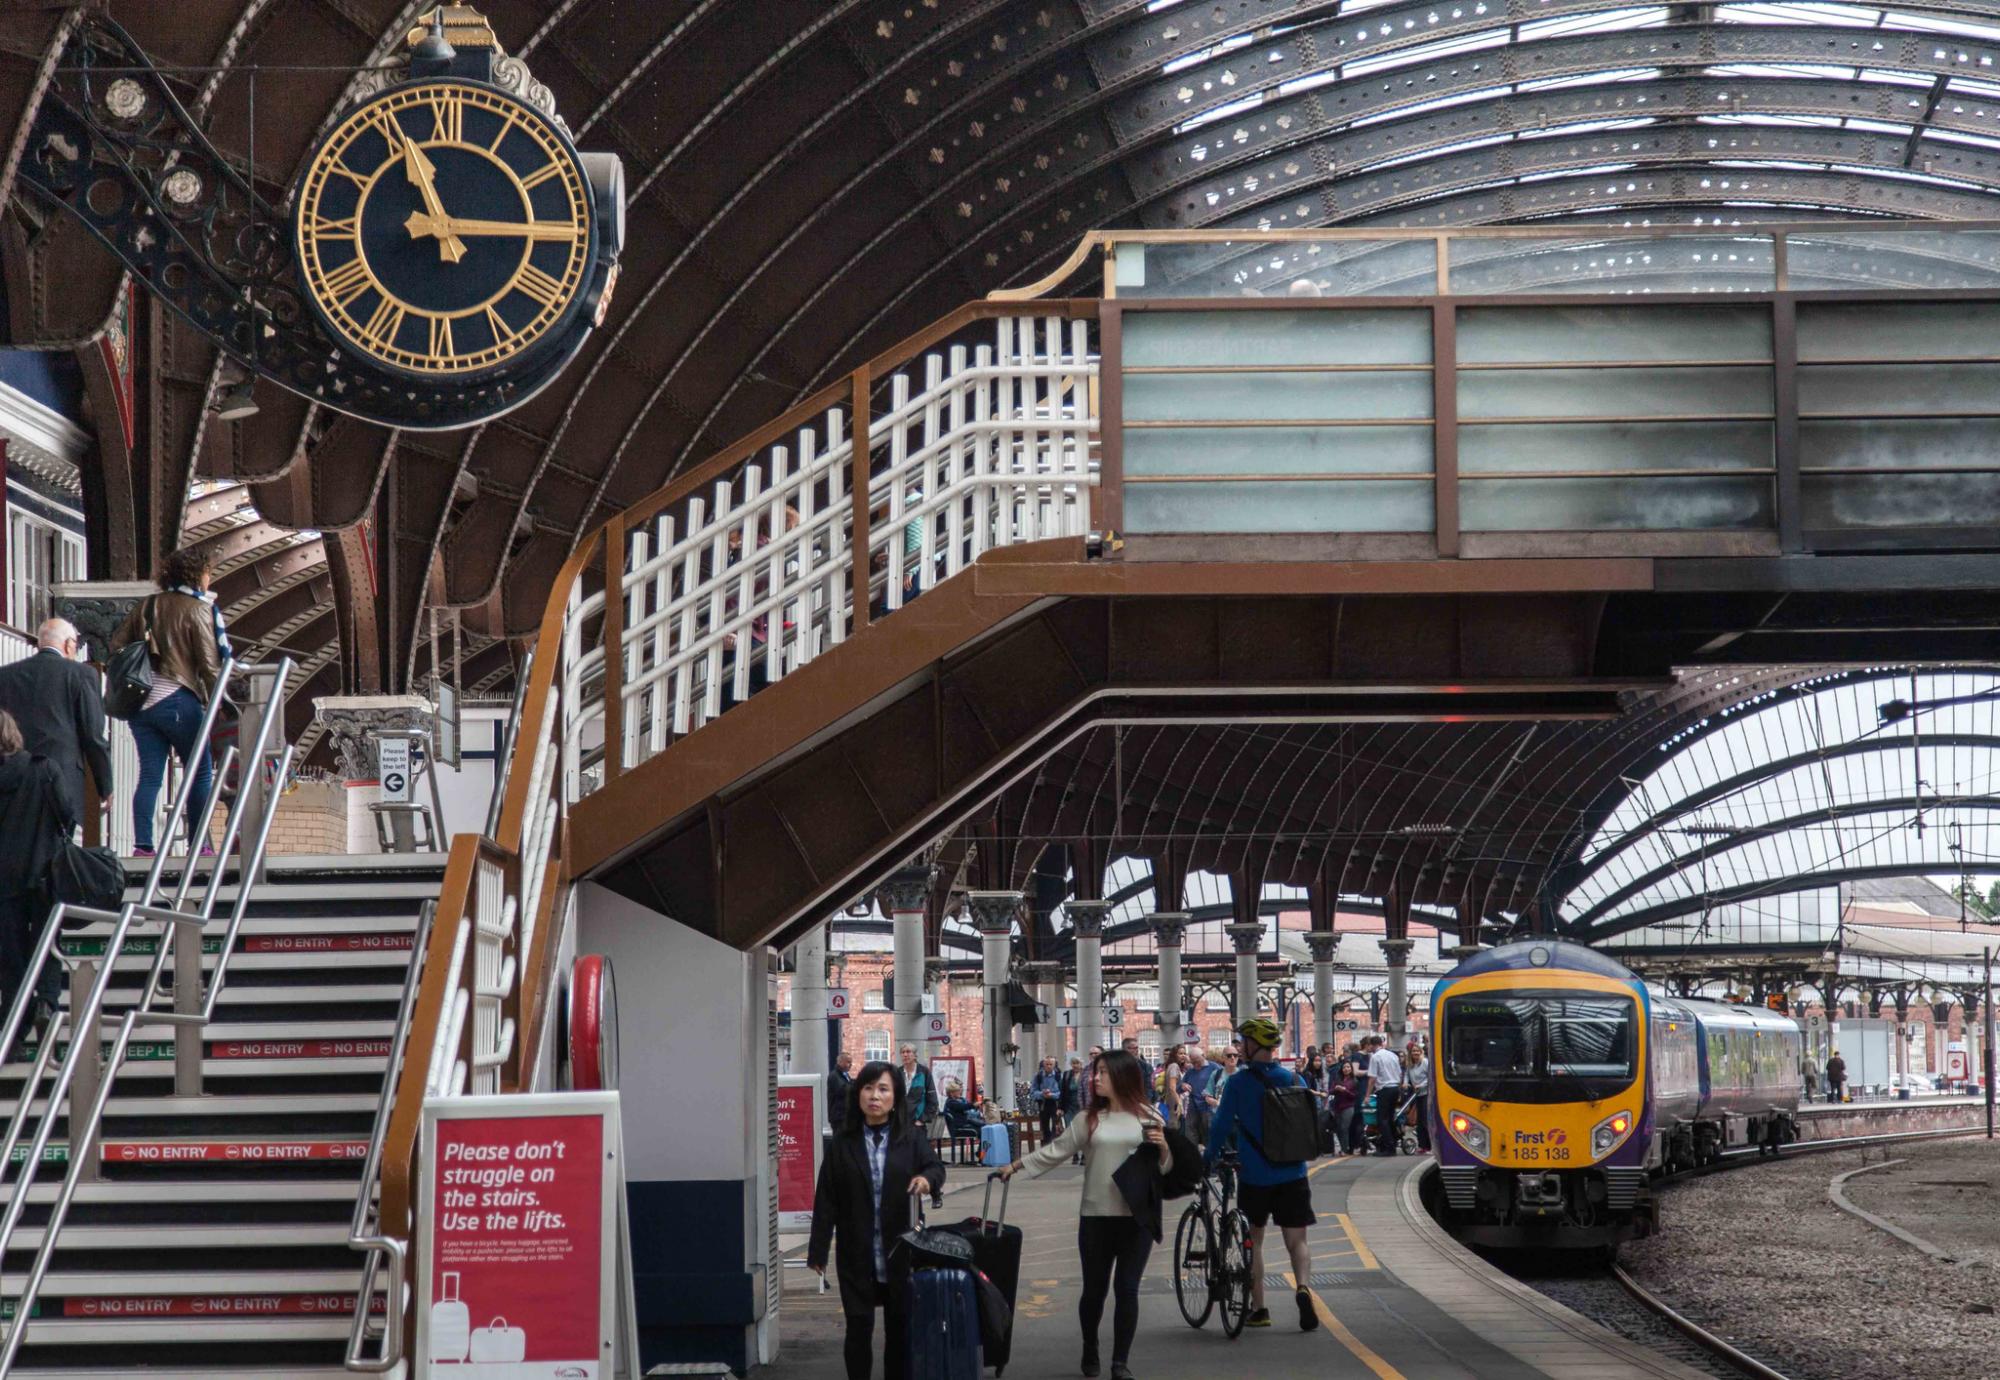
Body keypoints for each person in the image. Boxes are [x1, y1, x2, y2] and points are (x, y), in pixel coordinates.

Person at [998, 1049, 1172, 1379]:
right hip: (1097, 1216)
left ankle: (1120, 1362)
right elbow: (1057, 1150)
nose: (1095, 1078)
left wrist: (1163, 1147)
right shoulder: (1088, 1119)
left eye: (1103, 1072)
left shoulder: (1150, 1115)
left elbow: (1164, 1169)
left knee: (1128, 1289)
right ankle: (1090, 1345)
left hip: (1138, 1217)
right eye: (1095, 1072)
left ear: (1122, 1076)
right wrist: (1015, 1166)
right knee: (1094, 1290)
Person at [807, 1061, 945, 1380]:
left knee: (899, 1330)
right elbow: (826, 1198)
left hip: (900, 1250)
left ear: (895, 1097)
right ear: (858, 1095)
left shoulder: (910, 1138)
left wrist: (926, 1179)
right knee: (858, 1328)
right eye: (867, 1088)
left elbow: (936, 1168)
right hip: (857, 1253)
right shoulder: (843, 1143)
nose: (874, 1096)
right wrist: (817, 1251)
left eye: (883, 1089)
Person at [110, 546, 230, 858]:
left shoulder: (147, 606)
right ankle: (199, 844)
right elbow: (210, 664)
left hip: (141, 705)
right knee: (199, 772)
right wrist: (221, 701)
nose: (209, 577)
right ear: (198, 574)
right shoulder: (199, 609)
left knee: (150, 774)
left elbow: (117, 644)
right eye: (207, 572)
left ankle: (143, 846)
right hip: (178, 700)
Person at [1204, 1018, 1317, 1332]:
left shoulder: (1239, 1083)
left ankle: (1260, 1309)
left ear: (1253, 1046)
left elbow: (1221, 1125)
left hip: (1255, 1177)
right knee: (1298, 1241)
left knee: (1252, 1241)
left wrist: (1208, 1158)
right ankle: (1304, 1287)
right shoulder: (1296, 1078)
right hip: (1294, 1173)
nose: (1239, 1048)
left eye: (1242, 1042)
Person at [0, 710, 75, 1029]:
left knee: (11, 955)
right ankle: (46, 1000)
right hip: (46, 871)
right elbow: (67, 815)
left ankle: (14, 1023)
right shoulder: (44, 768)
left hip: (4, 878)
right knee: (47, 940)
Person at [0, 618, 113, 828]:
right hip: (63, 777)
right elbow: (93, 735)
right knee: (61, 843)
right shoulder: (82, 674)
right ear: (69, 644)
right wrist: (104, 786)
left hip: (15, 776)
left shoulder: (5, 676)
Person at [1367, 1035, 1406, 1155]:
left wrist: (1367, 1095)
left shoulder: (1375, 1057)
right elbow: (1400, 1074)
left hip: (1384, 1089)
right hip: (1395, 1088)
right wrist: (1399, 1090)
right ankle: (1392, 1143)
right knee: (1390, 1118)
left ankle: (1389, 1148)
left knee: (1382, 1119)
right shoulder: (1393, 1055)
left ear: (1372, 1045)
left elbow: (1372, 1078)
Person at [897, 1044, 935, 1135]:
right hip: (900, 1123)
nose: (905, 1055)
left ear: (915, 1055)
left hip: (917, 1124)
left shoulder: (924, 1072)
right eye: (903, 1052)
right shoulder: (897, 1073)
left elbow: (932, 1099)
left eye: (908, 1052)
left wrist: (922, 1120)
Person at [1181, 1045, 1216, 1143]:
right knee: (1190, 1131)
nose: (1195, 1064)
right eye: (1193, 1062)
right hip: (1193, 1106)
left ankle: (1208, 1155)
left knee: (1207, 1133)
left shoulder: (1214, 1067)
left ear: (1203, 1056)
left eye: (1197, 1061)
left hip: (1208, 1107)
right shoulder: (1190, 1071)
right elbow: (1180, 1086)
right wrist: (1183, 1085)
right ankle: (1193, 1153)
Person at [1402, 1039, 1431, 1153]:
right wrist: (1405, 1083)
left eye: (1417, 1051)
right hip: (1416, 1094)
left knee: (1424, 1120)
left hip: (1425, 1094)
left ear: (1421, 1052)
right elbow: (1406, 1075)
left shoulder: (1425, 1062)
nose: (1415, 1053)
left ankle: (1429, 1146)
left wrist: (1421, 1085)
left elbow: (1431, 1077)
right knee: (1418, 1121)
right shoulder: (1410, 1064)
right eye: (1413, 1051)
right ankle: (1422, 1145)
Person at [1032, 1056, 1064, 1145]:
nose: (1049, 1066)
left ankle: (1054, 1146)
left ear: (1054, 1065)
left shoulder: (1059, 1076)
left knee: (1056, 1126)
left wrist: (1052, 1095)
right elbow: (1033, 1092)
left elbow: (1063, 1092)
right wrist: (1042, 1094)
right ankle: (1044, 1146)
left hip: (1055, 1103)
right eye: (1047, 1064)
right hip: (1043, 1104)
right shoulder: (1038, 1076)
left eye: (1051, 1064)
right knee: (1044, 1127)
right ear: (1043, 1065)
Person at [1062, 1054, 1088, 1164]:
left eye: (1077, 1063)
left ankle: (1084, 1155)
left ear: (1081, 1064)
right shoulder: (1067, 1075)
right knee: (1071, 1131)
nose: (1075, 1065)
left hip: (1082, 1107)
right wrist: (1060, 1107)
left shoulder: (1086, 1074)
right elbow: (1063, 1092)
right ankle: (1075, 1154)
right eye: (1073, 1063)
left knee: (1083, 1131)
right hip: (1070, 1107)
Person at [827, 1051, 855, 1133]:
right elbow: (843, 1089)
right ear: (840, 1062)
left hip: (845, 1116)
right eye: (848, 1062)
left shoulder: (845, 1075)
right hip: (838, 1117)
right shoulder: (834, 1075)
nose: (850, 1065)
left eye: (851, 1062)